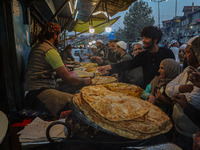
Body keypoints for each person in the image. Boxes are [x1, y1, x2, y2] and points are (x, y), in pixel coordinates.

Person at [24, 22, 91, 117]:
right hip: (38, 92)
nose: (59, 38)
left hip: (32, 90)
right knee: (77, 101)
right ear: (55, 36)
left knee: (69, 90)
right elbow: (69, 79)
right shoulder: (50, 51)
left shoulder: (40, 46)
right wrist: (86, 81)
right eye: (59, 36)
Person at [98, 26, 175, 87]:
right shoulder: (143, 55)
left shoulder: (167, 53)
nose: (143, 40)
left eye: (147, 38)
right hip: (147, 91)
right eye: (143, 37)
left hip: (166, 91)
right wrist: (110, 67)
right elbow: (129, 64)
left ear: (155, 39)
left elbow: (174, 73)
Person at [165, 35, 200, 150]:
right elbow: (168, 88)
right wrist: (183, 88)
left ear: (197, 53)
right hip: (179, 130)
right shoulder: (187, 70)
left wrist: (180, 96)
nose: (184, 56)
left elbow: (193, 100)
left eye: (188, 52)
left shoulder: (197, 75)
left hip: (192, 135)